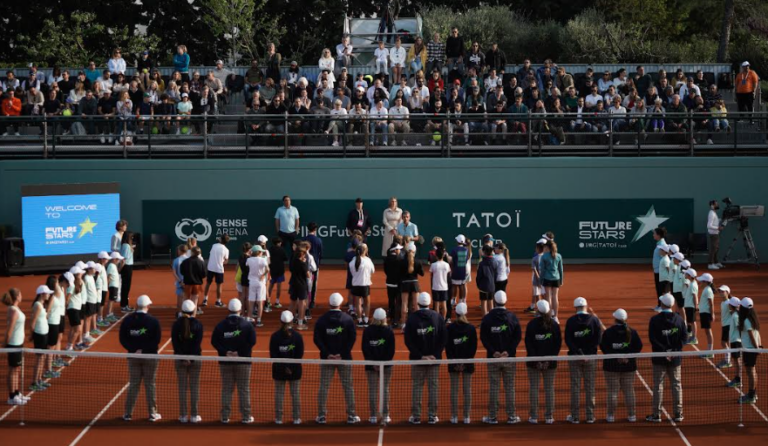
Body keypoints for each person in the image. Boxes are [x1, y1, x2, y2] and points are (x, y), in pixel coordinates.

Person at [314, 293, 359, 424]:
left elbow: (317, 339)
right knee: (348, 387)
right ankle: (351, 415)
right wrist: (342, 354)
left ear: (329, 303)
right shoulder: (347, 319)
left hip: (327, 359)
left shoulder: (322, 320)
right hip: (344, 359)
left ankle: (321, 415)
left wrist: (327, 354)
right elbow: (352, 338)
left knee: (324, 387)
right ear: (340, 303)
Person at [211, 298, 257, 424]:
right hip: (243, 362)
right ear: (240, 310)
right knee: (244, 389)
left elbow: (214, 342)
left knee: (227, 389)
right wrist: (239, 353)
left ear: (228, 310)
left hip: (225, 362)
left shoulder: (220, 325)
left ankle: (225, 417)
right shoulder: (247, 325)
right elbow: (252, 342)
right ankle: (246, 416)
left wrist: (225, 352)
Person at [480, 291, 522, 425]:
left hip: (493, 359)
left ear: (494, 301)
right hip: (509, 359)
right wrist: (508, 352)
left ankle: (492, 417)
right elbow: (517, 337)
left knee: (494, 387)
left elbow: (484, 338)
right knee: (510, 387)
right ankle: (512, 416)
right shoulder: (512, 317)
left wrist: (493, 352)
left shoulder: (487, 318)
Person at [404, 292, 447, 425]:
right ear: (429, 303)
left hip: (418, 360)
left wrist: (420, 356)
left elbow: (408, 341)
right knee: (433, 387)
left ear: (418, 303)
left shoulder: (412, 318)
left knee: (417, 387)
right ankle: (432, 416)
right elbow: (443, 339)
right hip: (434, 360)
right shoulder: (438, 317)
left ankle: (416, 416)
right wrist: (435, 354)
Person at [120, 295, 162, 422]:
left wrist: (134, 349)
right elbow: (156, 340)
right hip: (150, 357)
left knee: (133, 384)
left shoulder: (127, 320)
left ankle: (128, 413)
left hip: (133, 357)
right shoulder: (153, 321)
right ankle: (152, 413)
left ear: (137, 305)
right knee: (150, 384)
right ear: (148, 306)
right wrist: (144, 350)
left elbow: (123, 339)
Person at [647, 293, 687, 423]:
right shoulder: (679, 319)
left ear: (662, 304)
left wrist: (665, 352)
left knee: (658, 386)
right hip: (675, 359)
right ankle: (678, 413)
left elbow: (653, 339)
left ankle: (656, 414)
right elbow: (684, 338)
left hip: (659, 358)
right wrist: (673, 352)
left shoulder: (654, 320)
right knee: (676, 385)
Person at [564, 297, 603, 424]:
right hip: (590, 358)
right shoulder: (594, 320)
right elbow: (598, 339)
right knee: (590, 386)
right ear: (586, 306)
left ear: (575, 307)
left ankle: (575, 416)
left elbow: (568, 340)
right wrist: (587, 353)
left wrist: (578, 352)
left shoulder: (571, 321)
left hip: (574, 357)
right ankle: (590, 416)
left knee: (575, 386)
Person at [600, 308, 643, 423]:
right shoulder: (632, 332)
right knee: (629, 391)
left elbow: (604, 348)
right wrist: (627, 358)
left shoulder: (608, 332)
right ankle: (632, 415)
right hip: (629, 367)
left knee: (612, 392)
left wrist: (616, 357)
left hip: (611, 367)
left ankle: (610, 416)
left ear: (615, 319)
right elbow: (638, 347)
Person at [525, 299, 562, 424]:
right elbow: (557, 345)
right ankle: (549, 416)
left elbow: (529, 344)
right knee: (549, 389)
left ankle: (534, 416)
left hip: (533, 363)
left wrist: (537, 360)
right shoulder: (554, 325)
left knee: (534, 388)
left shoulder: (531, 324)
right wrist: (548, 360)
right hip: (550, 364)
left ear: (538, 310)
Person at [442, 302, 476, 425]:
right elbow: (473, 348)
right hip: (467, 363)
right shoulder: (471, 328)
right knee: (467, 390)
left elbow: (448, 347)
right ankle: (467, 417)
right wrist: (465, 363)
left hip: (454, 363)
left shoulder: (449, 328)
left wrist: (455, 362)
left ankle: (454, 416)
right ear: (466, 313)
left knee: (454, 390)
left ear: (455, 313)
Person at [171, 300, 203, 424]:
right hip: (195, 360)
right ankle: (194, 415)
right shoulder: (198, 324)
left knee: (182, 388)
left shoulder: (176, 325)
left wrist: (182, 357)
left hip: (180, 360)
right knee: (194, 387)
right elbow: (197, 343)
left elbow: (175, 343)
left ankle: (183, 415)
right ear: (193, 310)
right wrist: (191, 358)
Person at [362, 307, 396, 424]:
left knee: (372, 390)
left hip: (371, 366)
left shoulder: (367, 331)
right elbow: (391, 351)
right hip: (386, 365)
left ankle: (373, 416)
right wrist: (383, 363)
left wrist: (373, 364)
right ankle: (386, 415)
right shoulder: (389, 331)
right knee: (385, 389)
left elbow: (365, 349)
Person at [271, 310, 304, 425]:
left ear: (280, 321)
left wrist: (284, 367)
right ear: (292, 321)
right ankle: (296, 418)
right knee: (295, 394)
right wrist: (290, 367)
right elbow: (299, 354)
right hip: (294, 371)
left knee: (279, 394)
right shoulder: (298, 337)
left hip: (279, 370)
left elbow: (273, 355)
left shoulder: (275, 337)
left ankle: (278, 418)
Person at [3, 288, 28, 406]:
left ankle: (17, 393)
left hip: (18, 344)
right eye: (20, 294)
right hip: (13, 344)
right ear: (17, 296)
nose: (22, 296)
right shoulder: (13, 310)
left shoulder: (15, 309)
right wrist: (5, 344)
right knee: (13, 370)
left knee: (16, 369)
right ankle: (11, 396)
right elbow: (9, 330)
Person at [28, 285, 52, 392]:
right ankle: (34, 382)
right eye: (47, 293)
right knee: (39, 359)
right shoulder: (37, 305)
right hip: (39, 335)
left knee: (42, 358)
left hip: (44, 334)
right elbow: (32, 322)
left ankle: (39, 379)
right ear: (42, 294)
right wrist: (31, 335)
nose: (49, 295)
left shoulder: (41, 304)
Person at [738, 297, 761, 404]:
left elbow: (751, 336)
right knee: (753, 371)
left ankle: (751, 395)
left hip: (749, 349)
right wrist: (759, 346)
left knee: (750, 372)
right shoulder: (753, 319)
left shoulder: (746, 321)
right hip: (751, 349)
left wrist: (756, 348)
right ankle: (753, 393)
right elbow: (757, 334)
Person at [350, 243, 375, 327]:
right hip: (365, 285)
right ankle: (366, 320)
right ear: (364, 251)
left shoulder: (352, 262)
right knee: (367, 303)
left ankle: (360, 320)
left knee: (358, 303)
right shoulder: (368, 260)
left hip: (356, 285)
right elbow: (373, 271)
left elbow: (352, 272)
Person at [204, 235, 230, 308]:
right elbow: (226, 261)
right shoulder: (226, 250)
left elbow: (211, 254)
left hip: (210, 268)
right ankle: (218, 301)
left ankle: (205, 300)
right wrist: (222, 262)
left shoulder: (214, 246)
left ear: (221, 239)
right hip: (219, 269)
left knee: (208, 283)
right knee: (219, 285)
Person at [246, 245, 270, 327]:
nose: (262, 253)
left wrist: (250, 254)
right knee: (260, 303)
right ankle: (259, 321)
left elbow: (247, 264)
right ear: (259, 252)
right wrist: (263, 275)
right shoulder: (263, 260)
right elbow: (268, 269)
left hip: (252, 282)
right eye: (261, 252)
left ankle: (249, 319)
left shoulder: (249, 260)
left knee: (251, 302)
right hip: (261, 283)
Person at [539, 240, 563, 321]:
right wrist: (561, 280)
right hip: (556, 279)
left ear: (547, 247)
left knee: (548, 297)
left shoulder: (544, 256)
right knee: (555, 297)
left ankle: (549, 316)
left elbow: (542, 270)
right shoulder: (559, 256)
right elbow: (561, 270)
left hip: (547, 279)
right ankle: (556, 316)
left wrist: (541, 280)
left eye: (545, 246)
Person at [289, 243, 311, 330]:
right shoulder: (303, 264)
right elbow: (308, 275)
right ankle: (300, 324)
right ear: (302, 254)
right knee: (302, 303)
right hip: (301, 285)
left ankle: (290, 323)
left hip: (293, 283)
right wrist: (304, 263)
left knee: (292, 303)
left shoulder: (293, 261)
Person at [400, 242, 424, 319]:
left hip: (405, 283)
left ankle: (403, 323)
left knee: (404, 303)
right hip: (414, 283)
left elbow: (399, 273)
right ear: (415, 251)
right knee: (416, 304)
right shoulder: (418, 261)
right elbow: (422, 273)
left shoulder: (402, 261)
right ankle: (417, 322)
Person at [304, 223, 323, 312]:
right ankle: (312, 301)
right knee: (314, 283)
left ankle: (305, 300)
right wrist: (318, 263)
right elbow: (321, 253)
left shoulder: (304, 239)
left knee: (305, 283)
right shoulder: (318, 240)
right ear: (315, 230)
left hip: (305, 266)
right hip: (315, 265)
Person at [181, 247, 206, 315]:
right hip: (197, 284)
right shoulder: (201, 262)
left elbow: (182, 272)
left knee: (186, 299)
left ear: (192, 252)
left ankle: (184, 315)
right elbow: (204, 274)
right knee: (195, 300)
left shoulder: (185, 262)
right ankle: (193, 316)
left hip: (187, 283)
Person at [429, 246, 451, 321]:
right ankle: (443, 319)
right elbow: (448, 274)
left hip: (435, 287)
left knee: (437, 305)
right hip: (444, 287)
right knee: (444, 304)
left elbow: (431, 274)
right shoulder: (447, 265)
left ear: (436, 255)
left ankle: (437, 320)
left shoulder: (433, 265)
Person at [384, 242, 403, 327]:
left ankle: (392, 316)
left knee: (391, 300)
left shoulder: (386, 259)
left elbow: (386, 270)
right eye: (398, 249)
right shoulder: (400, 259)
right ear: (395, 250)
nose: (400, 250)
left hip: (389, 283)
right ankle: (397, 318)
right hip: (398, 283)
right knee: (398, 301)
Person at [716, 285, 736, 369]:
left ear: (727, 292)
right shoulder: (723, 303)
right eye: (720, 291)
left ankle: (727, 361)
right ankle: (727, 360)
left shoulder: (728, 303)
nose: (720, 293)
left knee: (723, 343)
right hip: (725, 325)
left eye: (722, 291)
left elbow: (733, 313)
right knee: (725, 343)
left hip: (728, 325)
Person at [697, 273, 716, 358]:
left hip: (706, 313)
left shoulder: (708, 290)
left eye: (701, 281)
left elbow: (711, 304)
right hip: (704, 313)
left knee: (708, 332)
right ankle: (709, 350)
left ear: (705, 282)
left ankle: (710, 351)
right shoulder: (706, 289)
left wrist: (712, 314)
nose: (700, 282)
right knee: (707, 332)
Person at [651, 227, 668, 310]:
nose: (653, 235)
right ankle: (659, 305)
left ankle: (662, 306)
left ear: (658, 235)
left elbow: (665, 259)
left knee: (661, 289)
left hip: (661, 272)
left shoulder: (662, 245)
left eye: (654, 233)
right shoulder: (659, 244)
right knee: (658, 289)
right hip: (657, 271)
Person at [119, 231, 136, 313]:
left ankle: (125, 305)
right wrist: (119, 269)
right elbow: (123, 260)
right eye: (131, 237)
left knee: (127, 287)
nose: (132, 238)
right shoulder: (126, 246)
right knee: (125, 287)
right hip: (126, 267)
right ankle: (123, 306)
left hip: (128, 267)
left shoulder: (127, 245)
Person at [683, 268, 700, 344]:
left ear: (690, 276)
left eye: (686, 274)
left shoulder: (693, 285)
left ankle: (694, 338)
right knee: (690, 321)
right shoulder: (692, 283)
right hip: (689, 305)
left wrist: (696, 306)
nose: (685, 274)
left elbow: (694, 296)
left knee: (693, 322)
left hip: (691, 306)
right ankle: (691, 336)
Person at [707, 200, 724, 270]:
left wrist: (720, 220)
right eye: (716, 204)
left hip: (716, 233)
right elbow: (709, 226)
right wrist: (718, 228)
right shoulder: (711, 213)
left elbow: (714, 221)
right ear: (712, 205)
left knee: (716, 249)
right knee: (713, 249)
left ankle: (716, 262)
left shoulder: (714, 213)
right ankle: (710, 264)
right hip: (713, 234)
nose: (717, 205)